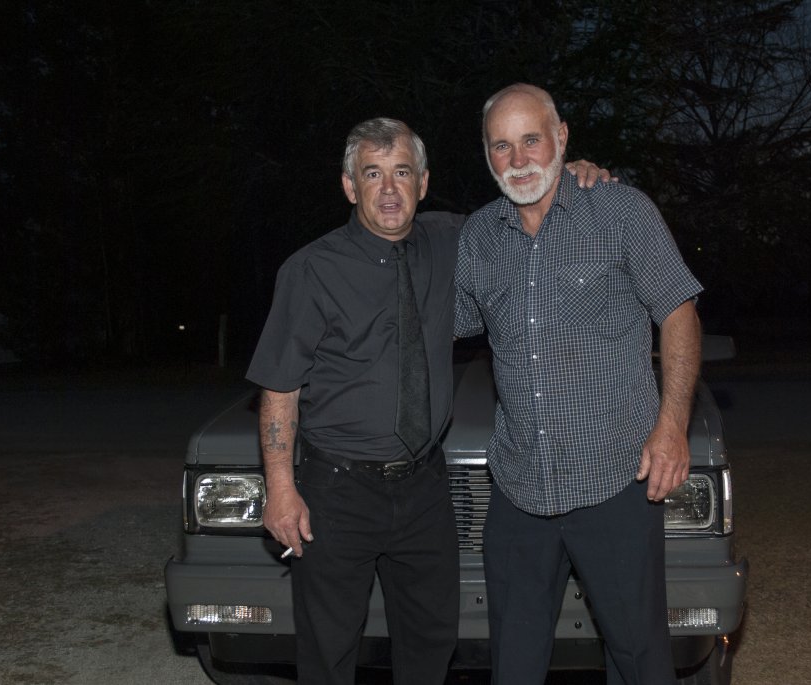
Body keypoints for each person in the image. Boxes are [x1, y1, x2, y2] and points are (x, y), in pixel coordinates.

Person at [246, 116, 611, 685]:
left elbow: (526, 206)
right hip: (337, 490)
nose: (389, 189)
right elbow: (279, 388)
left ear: (422, 182)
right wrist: (281, 488)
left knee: (432, 638)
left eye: (401, 172)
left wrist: (569, 175)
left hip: (424, 488)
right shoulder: (311, 270)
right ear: (350, 187)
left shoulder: (452, 239)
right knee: (329, 648)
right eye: (372, 174)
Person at [454, 84, 704, 684]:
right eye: (502, 146)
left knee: (639, 659)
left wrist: (672, 426)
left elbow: (679, 312)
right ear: (487, 156)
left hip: (614, 481)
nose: (519, 160)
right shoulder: (478, 237)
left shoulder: (621, 212)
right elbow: (440, 326)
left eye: (532, 140)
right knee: (512, 667)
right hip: (519, 490)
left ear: (562, 137)